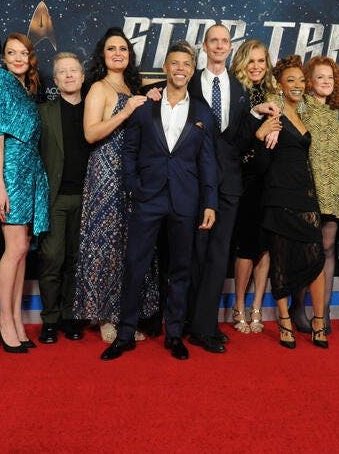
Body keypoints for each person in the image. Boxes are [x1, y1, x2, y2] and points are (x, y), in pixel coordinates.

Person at [101, 43, 218, 361]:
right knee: (135, 265)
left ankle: (175, 334)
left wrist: (210, 202)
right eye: (174, 63)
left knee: (180, 269)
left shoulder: (203, 111)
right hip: (148, 198)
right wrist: (132, 185)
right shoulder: (145, 104)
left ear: (192, 71)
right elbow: (129, 150)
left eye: (186, 64)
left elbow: (208, 161)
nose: (180, 68)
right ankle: (125, 334)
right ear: (165, 67)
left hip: (186, 200)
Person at [187, 24, 276, 353]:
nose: (220, 46)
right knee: (192, 253)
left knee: (217, 254)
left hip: (229, 182)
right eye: (214, 41)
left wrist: (256, 118)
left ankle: (205, 326)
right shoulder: (191, 81)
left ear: (229, 46)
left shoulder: (242, 89)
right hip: (193, 180)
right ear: (205, 45)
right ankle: (185, 321)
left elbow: (238, 140)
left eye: (225, 41)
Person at [73, 27, 157, 343]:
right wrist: (126, 111)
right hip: (106, 174)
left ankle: (126, 314)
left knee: (130, 246)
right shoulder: (99, 88)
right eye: (112, 49)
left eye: (123, 48)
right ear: (103, 55)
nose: (118, 53)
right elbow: (91, 134)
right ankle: (105, 317)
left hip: (134, 174)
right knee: (106, 246)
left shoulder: (133, 85)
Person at [257, 55, 328, 349]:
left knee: (316, 256)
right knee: (282, 258)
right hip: (279, 194)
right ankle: (284, 320)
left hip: (305, 193)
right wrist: (261, 133)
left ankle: (319, 320)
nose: (297, 85)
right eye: (291, 80)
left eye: (301, 80)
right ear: (279, 84)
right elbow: (261, 152)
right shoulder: (274, 115)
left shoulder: (303, 113)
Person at [0, 33, 50, 353]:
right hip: (10, 173)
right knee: (13, 249)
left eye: (23, 53)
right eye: (11, 53)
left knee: (23, 247)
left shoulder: (26, 89)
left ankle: (15, 319)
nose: (17, 58)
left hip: (29, 173)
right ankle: (4, 320)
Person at [294, 56, 339, 336]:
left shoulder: (336, 111)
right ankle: (300, 308)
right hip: (309, 190)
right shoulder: (300, 107)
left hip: (336, 191)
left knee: (328, 249)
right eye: (320, 77)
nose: (326, 82)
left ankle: (324, 309)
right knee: (309, 251)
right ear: (309, 81)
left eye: (330, 77)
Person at [36, 52, 90, 343]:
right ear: (55, 80)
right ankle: (49, 319)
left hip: (87, 197)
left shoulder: (94, 110)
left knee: (75, 261)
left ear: (82, 76)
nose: (68, 75)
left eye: (73, 70)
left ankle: (70, 316)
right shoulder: (44, 111)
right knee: (52, 258)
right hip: (55, 198)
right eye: (62, 72)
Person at [229, 39, 276, 335]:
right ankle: (239, 306)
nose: (257, 66)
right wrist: (259, 131)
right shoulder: (236, 95)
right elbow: (232, 142)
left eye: (261, 61)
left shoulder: (274, 94)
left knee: (265, 246)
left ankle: (257, 306)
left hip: (270, 179)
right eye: (251, 61)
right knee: (247, 245)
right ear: (242, 64)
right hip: (242, 178)